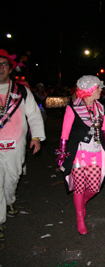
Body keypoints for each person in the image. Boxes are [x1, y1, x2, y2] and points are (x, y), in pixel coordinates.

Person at [56, 75, 105, 235]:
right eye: (98, 87)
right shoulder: (72, 108)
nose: (101, 90)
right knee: (79, 187)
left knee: (94, 187)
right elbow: (64, 134)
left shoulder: (101, 108)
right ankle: (80, 216)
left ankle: (81, 204)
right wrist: (62, 156)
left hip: (96, 152)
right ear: (90, 90)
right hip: (78, 152)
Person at [0, 49, 46, 241]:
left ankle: (9, 200)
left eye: (4, 64)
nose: (0, 68)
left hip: (15, 145)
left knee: (12, 179)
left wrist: (36, 137)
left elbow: (34, 115)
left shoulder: (22, 91)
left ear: (10, 69)